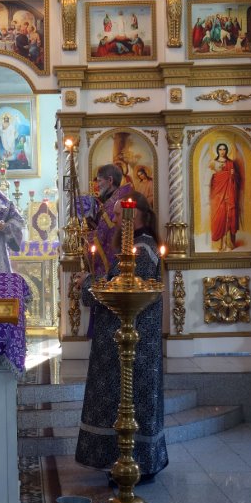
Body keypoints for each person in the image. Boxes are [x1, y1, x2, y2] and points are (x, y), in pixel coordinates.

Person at [72, 191, 168, 484]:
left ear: (133, 215)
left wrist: (88, 283)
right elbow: (119, 283)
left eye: (117, 214)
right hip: (128, 338)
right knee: (125, 399)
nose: (113, 220)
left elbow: (122, 291)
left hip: (132, 341)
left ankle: (133, 464)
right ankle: (129, 462)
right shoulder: (140, 246)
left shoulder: (142, 249)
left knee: (128, 399)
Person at [85, 163, 132, 278]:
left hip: (116, 266)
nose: (97, 185)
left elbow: (104, 235)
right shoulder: (114, 200)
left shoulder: (114, 206)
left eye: (99, 181)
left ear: (110, 180)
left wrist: (85, 237)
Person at [208, 143, 244, 252]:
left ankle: (228, 243)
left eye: (224, 149)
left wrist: (233, 175)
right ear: (217, 150)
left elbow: (238, 180)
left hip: (229, 194)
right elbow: (209, 179)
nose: (222, 151)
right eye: (220, 149)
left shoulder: (230, 163)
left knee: (228, 215)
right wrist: (218, 176)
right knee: (219, 216)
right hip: (217, 195)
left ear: (227, 150)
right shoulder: (212, 163)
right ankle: (218, 244)